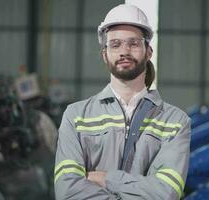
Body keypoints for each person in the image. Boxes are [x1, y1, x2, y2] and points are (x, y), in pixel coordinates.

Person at [54, 4, 191, 200]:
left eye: (133, 43)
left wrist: (108, 178)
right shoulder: (76, 116)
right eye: (115, 44)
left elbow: (166, 193)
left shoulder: (176, 122)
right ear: (104, 54)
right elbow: (67, 192)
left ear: (148, 52)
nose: (124, 51)